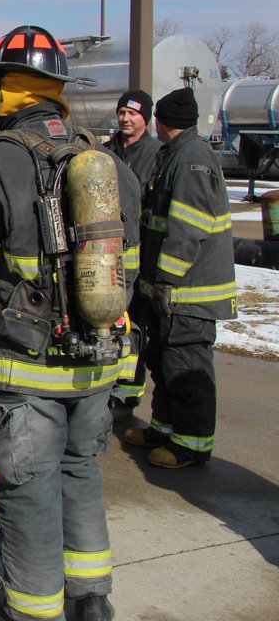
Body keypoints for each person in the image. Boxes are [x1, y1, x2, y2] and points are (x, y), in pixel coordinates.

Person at [0, 26, 140, 621]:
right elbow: (130, 274)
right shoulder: (109, 165)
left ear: (12, 92)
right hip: (97, 362)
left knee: (29, 491)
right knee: (80, 472)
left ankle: (31, 613)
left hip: (26, 369)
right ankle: (92, 601)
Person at [124, 87, 236, 468]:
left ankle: (192, 444)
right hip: (169, 291)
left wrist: (167, 279)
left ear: (161, 121)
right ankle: (165, 428)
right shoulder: (174, 155)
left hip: (189, 292)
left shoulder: (191, 161)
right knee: (165, 361)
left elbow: (188, 228)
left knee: (188, 368)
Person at [104, 89, 163, 420]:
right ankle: (102, 385)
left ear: (146, 118)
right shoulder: (107, 150)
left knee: (134, 324)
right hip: (104, 253)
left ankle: (125, 393)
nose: (126, 119)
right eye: (122, 112)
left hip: (137, 255)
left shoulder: (155, 154)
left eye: (133, 113)